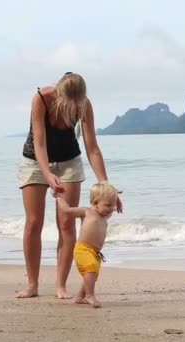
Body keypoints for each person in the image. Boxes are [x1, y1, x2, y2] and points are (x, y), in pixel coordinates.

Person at [16, 72, 123, 299]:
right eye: (68, 103)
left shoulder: (84, 105)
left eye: (77, 103)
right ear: (59, 93)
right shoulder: (41, 98)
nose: (73, 107)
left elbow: (92, 147)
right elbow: (40, 142)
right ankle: (32, 285)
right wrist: (47, 174)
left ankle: (60, 286)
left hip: (69, 162)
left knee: (66, 223)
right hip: (35, 160)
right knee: (34, 222)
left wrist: (106, 186)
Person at [55, 182, 118, 308]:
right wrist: (59, 197)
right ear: (95, 203)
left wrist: (115, 200)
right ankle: (89, 295)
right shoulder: (87, 212)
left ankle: (80, 297)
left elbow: (111, 208)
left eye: (113, 206)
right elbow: (67, 211)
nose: (111, 209)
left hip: (95, 252)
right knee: (90, 270)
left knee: (92, 275)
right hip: (83, 249)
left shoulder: (104, 216)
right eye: (108, 205)